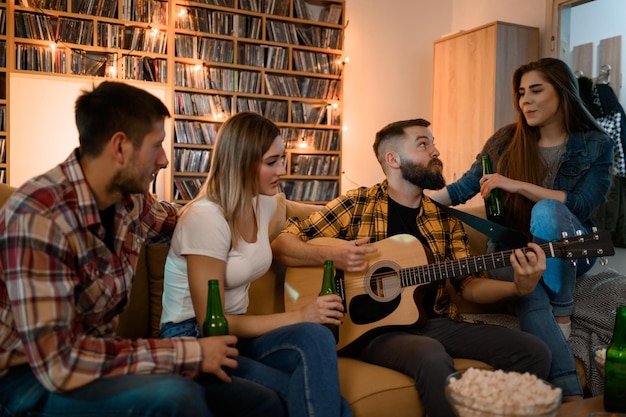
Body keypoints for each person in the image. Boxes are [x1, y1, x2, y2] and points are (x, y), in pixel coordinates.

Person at [0, 82, 284, 417]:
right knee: (175, 397)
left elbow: (185, 221)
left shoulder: (130, 200)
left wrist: (230, 209)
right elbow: (61, 364)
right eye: (157, 146)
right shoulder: (39, 218)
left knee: (262, 402)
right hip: (28, 379)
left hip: (101, 360)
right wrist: (186, 354)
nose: (164, 160)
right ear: (120, 147)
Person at [271, 117, 552, 417]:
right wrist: (335, 257)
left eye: (433, 143)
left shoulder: (445, 219)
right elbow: (282, 244)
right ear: (393, 159)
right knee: (429, 355)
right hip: (370, 330)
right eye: (423, 144)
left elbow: (469, 285)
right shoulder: (357, 204)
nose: (435, 151)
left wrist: (518, 287)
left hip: (435, 323)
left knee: (535, 353)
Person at [430, 57, 614, 401]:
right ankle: (572, 400)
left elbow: (581, 204)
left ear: (561, 92)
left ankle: (562, 310)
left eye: (536, 90)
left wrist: (517, 185)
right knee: (529, 284)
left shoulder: (595, 144)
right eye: (520, 92)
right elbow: (460, 190)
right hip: (513, 251)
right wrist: (409, 199)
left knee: (547, 211)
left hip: (573, 247)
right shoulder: (504, 141)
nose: (524, 100)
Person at [159, 112, 352, 417]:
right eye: (271, 162)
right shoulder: (206, 218)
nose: (283, 170)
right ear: (242, 162)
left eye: (282, 159)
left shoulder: (263, 203)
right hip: (195, 337)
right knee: (316, 400)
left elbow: (316, 216)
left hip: (239, 333)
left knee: (316, 336)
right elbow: (213, 322)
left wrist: (355, 235)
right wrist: (301, 314)